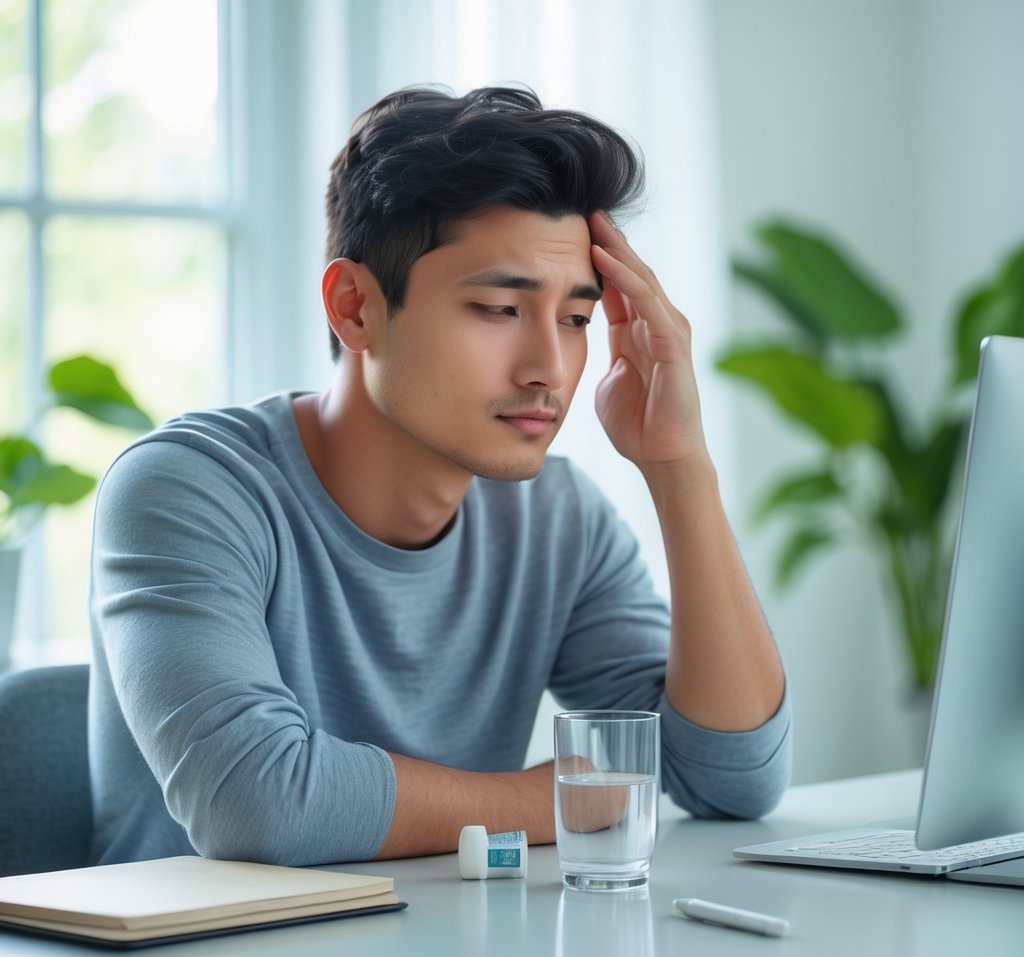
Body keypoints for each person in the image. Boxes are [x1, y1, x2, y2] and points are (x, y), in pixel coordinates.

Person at [88, 85, 790, 867]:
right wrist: (573, 794)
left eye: (577, 319)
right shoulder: (188, 489)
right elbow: (260, 806)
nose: (548, 369)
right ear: (354, 307)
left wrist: (679, 466)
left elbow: (731, 781)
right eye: (498, 308)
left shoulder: (558, 520)